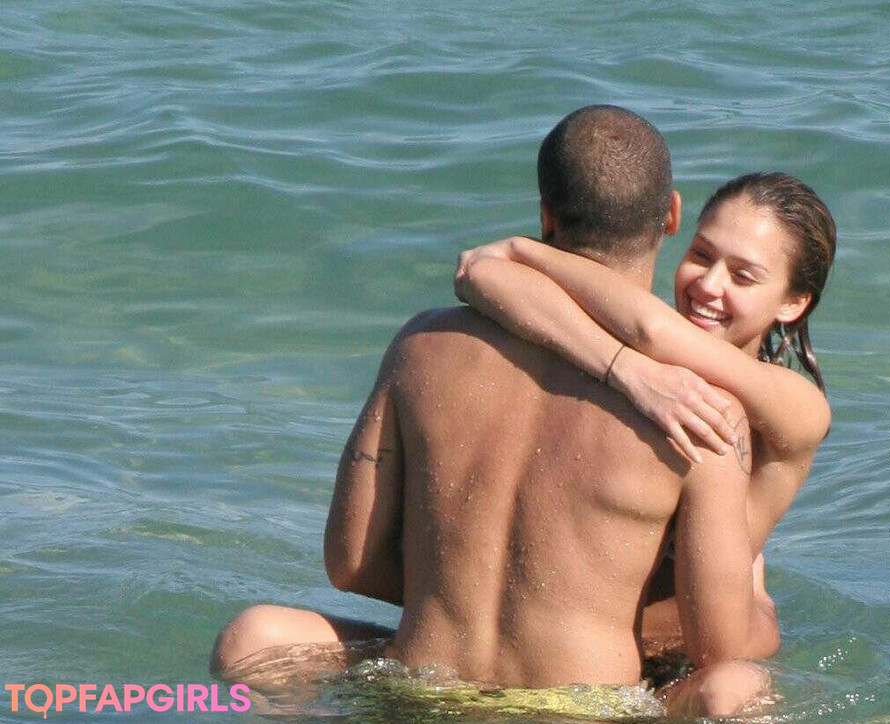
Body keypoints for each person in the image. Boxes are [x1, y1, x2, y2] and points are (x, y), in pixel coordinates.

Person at [210, 105, 779, 718]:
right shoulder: (697, 405)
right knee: (737, 685)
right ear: (671, 215)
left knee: (255, 636)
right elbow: (718, 646)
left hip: (421, 692)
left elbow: (349, 563)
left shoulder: (421, 346)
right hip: (580, 710)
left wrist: (461, 587)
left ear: (545, 215)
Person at [454, 170, 837, 658]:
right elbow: (481, 276)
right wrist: (625, 367)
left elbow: (652, 330)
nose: (708, 284)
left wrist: (524, 249)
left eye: (742, 276)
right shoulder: (648, 352)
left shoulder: (798, 406)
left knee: (735, 686)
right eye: (701, 254)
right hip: (586, 653)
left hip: (687, 662)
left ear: (793, 303)